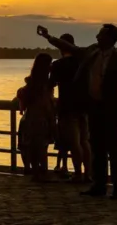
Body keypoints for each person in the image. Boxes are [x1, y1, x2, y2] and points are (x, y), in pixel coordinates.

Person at [37, 24, 117, 200]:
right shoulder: (92, 53)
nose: (97, 37)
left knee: (114, 151)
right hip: (93, 109)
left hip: (110, 111)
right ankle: (99, 185)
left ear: (110, 38)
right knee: (97, 149)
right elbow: (70, 48)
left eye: (101, 34)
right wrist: (49, 37)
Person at [50, 33, 90, 183]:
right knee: (84, 141)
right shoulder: (83, 62)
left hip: (67, 107)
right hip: (84, 106)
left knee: (74, 142)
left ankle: (78, 173)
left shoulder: (58, 65)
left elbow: (51, 83)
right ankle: (88, 173)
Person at [19, 53, 55, 182]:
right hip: (42, 119)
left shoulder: (30, 83)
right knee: (42, 147)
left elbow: (23, 95)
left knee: (34, 147)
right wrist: (52, 120)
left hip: (30, 118)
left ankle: (36, 172)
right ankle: (42, 172)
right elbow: (46, 104)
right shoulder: (45, 85)